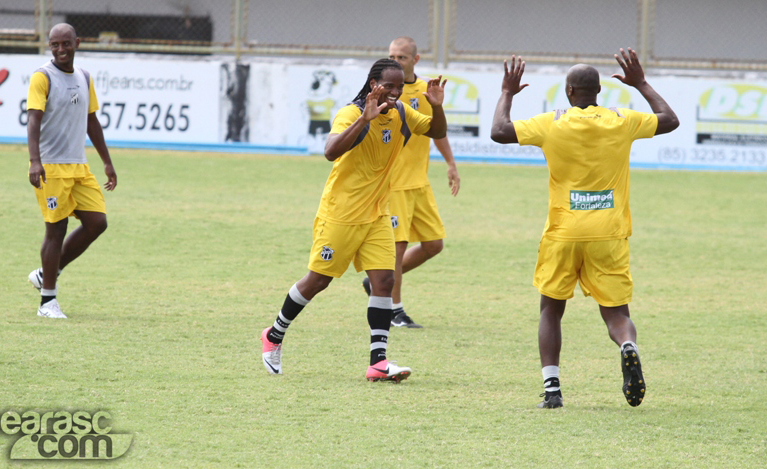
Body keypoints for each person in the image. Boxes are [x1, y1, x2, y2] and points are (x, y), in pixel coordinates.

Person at [490, 48, 679, 408]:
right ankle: (627, 345)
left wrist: (507, 93)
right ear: (599, 92)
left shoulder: (551, 123)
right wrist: (640, 83)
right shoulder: (621, 120)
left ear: (569, 92)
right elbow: (669, 119)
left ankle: (552, 390)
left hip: (564, 232)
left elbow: (499, 131)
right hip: (608, 232)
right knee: (617, 313)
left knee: (551, 309)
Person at [260, 59, 447, 381]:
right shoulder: (350, 113)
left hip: (377, 213)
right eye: (388, 85)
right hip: (341, 214)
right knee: (318, 281)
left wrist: (437, 107)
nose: (394, 92)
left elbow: (437, 130)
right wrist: (364, 119)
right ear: (373, 83)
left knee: (385, 282)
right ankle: (274, 335)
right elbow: (331, 151)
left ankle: (378, 362)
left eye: (399, 87)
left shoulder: (401, 112)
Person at [361, 37, 460, 329]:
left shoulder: (425, 89)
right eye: (391, 55)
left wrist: (451, 163)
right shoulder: (382, 92)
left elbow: (435, 130)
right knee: (398, 248)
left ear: (415, 60)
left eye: (402, 57)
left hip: (419, 182)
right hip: (394, 184)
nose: (396, 61)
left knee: (433, 244)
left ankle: (376, 281)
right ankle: (394, 309)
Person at [26, 23, 117, 318]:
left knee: (97, 223)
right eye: (55, 45)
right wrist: (34, 160)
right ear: (49, 47)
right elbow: (33, 120)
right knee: (56, 230)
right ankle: (47, 302)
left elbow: (91, 121)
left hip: (78, 165)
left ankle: (47, 273)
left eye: (66, 43)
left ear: (77, 42)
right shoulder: (42, 77)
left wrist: (106, 160)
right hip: (51, 167)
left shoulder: (84, 77)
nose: (61, 50)